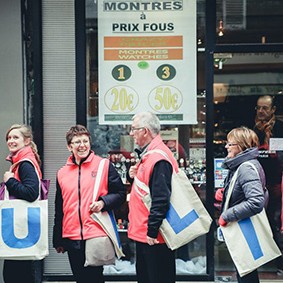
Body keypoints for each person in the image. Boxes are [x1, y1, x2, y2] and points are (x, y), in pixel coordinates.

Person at [52, 125, 126, 283]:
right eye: (77, 142)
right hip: (71, 236)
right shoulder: (62, 173)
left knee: (94, 278)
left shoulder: (103, 165)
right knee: (79, 278)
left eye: (85, 141)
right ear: (69, 146)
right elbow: (60, 207)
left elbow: (120, 194)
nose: (82, 145)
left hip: (95, 233)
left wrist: (103, 203)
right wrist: (58, 239)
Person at [127, 112, 178, 283]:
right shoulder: (152, 154)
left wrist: (152, 230)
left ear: (145, 131)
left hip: (153, 236)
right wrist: (132, 175)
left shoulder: (157, 157)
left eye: (134, 129)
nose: (131, 133)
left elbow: (161, 198)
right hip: (147, 233)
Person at [218, 126, 267, 283]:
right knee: (245, 271)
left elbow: (256, 201)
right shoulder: (244, 165)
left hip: (245, 227)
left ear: (241, 145)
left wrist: (227, 215)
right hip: (244, 226)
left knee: (246, 273)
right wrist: (225, 192)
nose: (226, 147)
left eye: (230, 144)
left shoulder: (245, 167)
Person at [3, 124, 42, 283]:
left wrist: (10, 181)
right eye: (9, 138)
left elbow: (32, 193)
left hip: (20, 229)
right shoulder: (21, 161)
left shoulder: (25, 164)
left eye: (15, 137)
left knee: (15, 275)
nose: (11, 141)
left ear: (27, 141)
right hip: (22, 228)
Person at [253, 95, 283, 273]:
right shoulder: (252, 130)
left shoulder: (280, 128)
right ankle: (261, 258)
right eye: (259, 108)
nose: (261, 111)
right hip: (257, 180)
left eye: (265, 108)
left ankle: (279, 261)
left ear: (273, 110)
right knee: (258, 220)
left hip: (276, 181)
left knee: (275, 220)